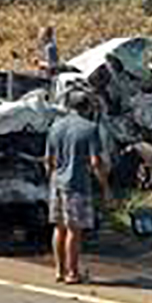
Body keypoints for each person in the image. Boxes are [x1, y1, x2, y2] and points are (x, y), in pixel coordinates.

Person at [45, 92, 109, 284]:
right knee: (74, 230)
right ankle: (72, 273)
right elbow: (96, 162)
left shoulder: (55, 127)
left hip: (57, 183)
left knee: (59, 227)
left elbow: (48, 160)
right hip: (77, 185)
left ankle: (59, 270)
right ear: (87, 107)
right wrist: (105, 187)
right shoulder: (90, 128)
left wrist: (52, 179)